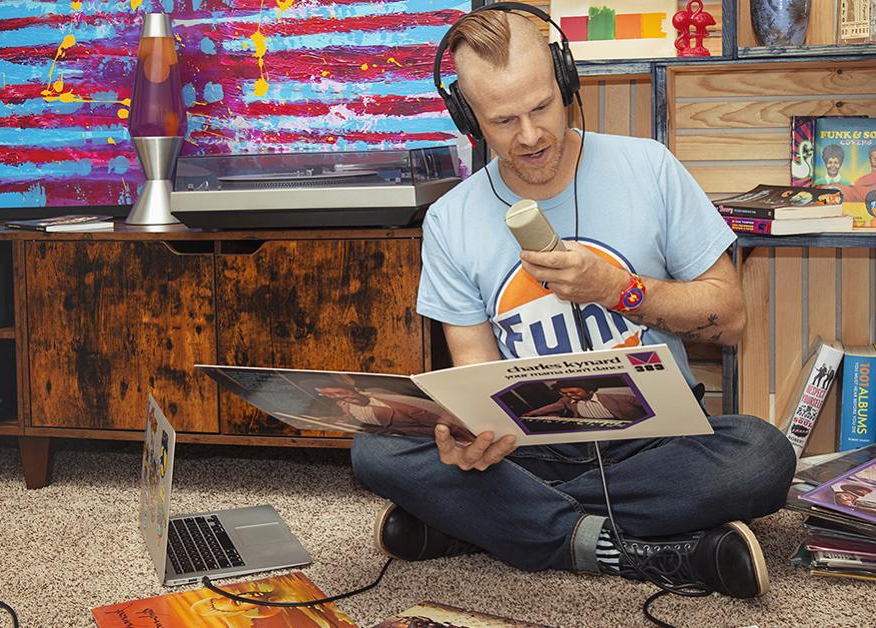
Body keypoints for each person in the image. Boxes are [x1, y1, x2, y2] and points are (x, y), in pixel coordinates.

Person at [350, 6, 795, 600]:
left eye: (540, 107)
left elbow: (730, 316)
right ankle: (627, 546)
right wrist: (472, 439)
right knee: (372, 449)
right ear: (468, 118)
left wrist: (617, 289)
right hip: (530, 451)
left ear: (564, 83)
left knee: (763, 456)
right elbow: (477, 377)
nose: (530, 136)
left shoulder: (650, 169)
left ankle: (485, 527)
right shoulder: (449, 220)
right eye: (503, 120)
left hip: (659, 441)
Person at [314, 384, 476, 442]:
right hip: (405, 431)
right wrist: (339, 419)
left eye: (339, 392)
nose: (341, 397)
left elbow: (424, 413)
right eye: (332, 396)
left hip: (425, 420)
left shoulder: (376, 394)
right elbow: (359, 421)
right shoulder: (350, 409)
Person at [522, 380, 645, 423]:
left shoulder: (620, 398)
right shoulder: (566, 401)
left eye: (574, 392)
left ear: (590, 391)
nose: (569, 396)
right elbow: (551, 407)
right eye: (564, 393)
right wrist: (533, 413)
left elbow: (646, 404)